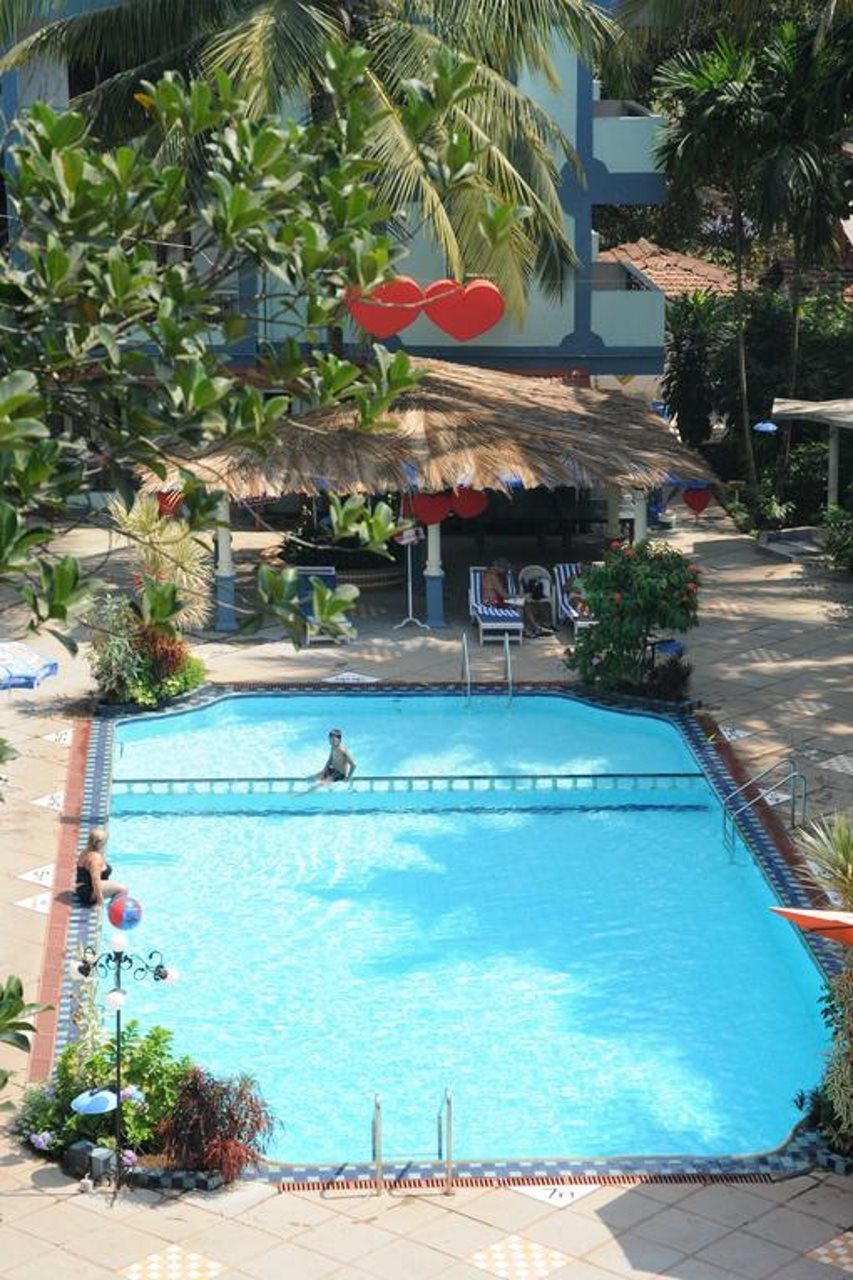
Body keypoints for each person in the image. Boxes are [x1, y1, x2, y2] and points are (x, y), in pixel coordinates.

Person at [483, 558, 553, 638]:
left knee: (524, 602)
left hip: (497, 600)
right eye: (504, 570)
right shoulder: (493, 577)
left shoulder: (492, 572)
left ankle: (533, 628)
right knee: (523, 602)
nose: (506, 572)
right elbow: (504, 595)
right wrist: (521, 596)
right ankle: (529, 629)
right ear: (499, 568)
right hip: (493, 602)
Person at [75, 827, 127, 908]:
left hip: (82, 889)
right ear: (102, 843)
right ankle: (111, 909)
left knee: (116, 885)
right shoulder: (95, 859)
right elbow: (95, 880)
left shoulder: (86, 851)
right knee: (123, 889)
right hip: (88, 892)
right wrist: (100, 901)